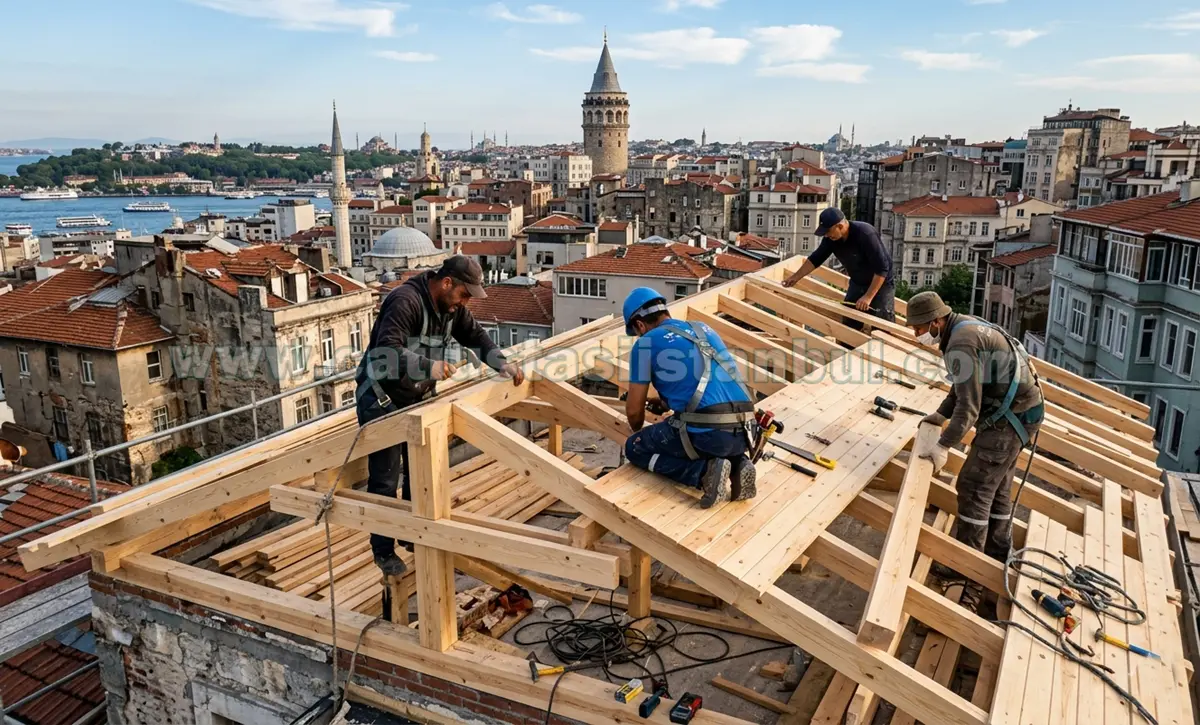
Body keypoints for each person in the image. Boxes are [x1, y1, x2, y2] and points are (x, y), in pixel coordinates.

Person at [356, 256, 524, 575]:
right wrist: (428, 366)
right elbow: (387, 349)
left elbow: (476, 337)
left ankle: (412, 535)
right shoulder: (405, 301)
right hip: (382, 398)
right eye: (464, 294)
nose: (465, 303)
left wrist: (502, 363)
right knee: (385, 478)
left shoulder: (452, 309)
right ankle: (383, 550)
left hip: (415, 395)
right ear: (447, 283)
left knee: (420, 471)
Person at [905, 291, 1044, 568]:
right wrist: (940, 415)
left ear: (936, 321)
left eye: (919, 328)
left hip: (1009, 419)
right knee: (997, 488)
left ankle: (965, 567)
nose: (917, 334)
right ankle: (996, 556)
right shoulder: (964, 327)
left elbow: (969, 406)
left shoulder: (960, 343)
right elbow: (962, 387)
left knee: (974, 486)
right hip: (1023, 412)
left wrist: (944, 445)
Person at [621, 287, 757, 508]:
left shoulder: (645, 343)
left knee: (635, 447)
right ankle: (738, 462)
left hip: (710, 436)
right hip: (745, 431)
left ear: (639, 325)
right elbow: (702, 385)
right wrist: (664, 403)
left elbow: (634, 413)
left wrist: (638, 430)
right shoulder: (704, 329)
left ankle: (703, 474)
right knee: (705, 428)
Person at [782, 207, 895, 323]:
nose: (826, 235)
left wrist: (868, 297)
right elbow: (816, 259)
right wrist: (795, 277)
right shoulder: (831, 239)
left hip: (880, 284)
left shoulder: (865, 234)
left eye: (828, 232)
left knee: (882, 324)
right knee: (849, 321)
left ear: (840, 226)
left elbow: (882, 269)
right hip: (858, 282)